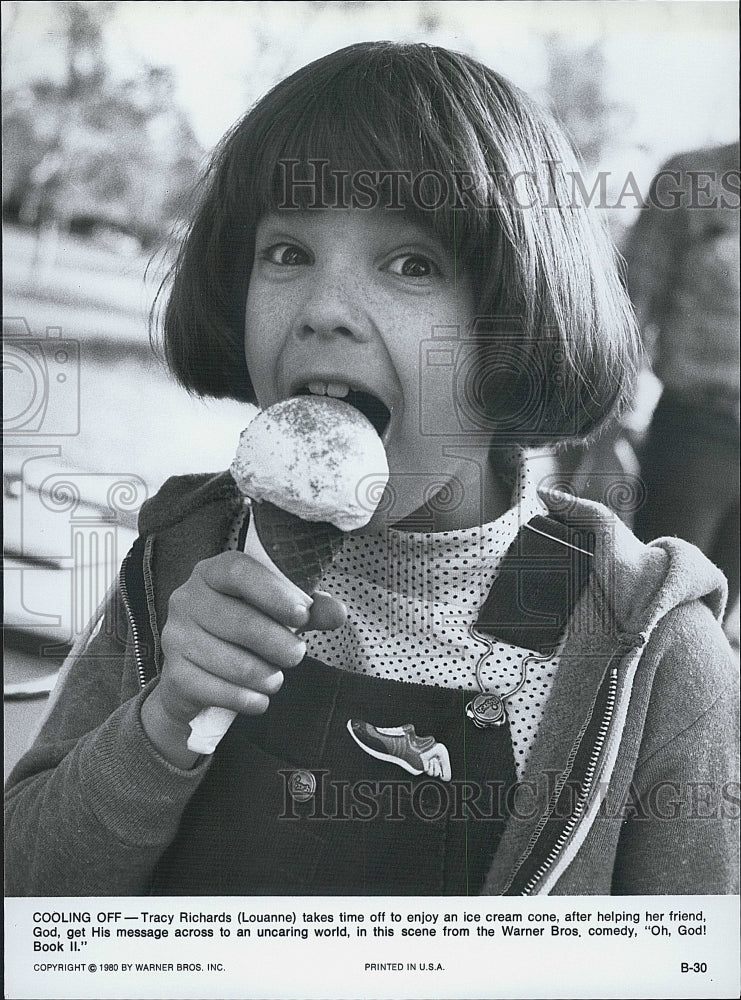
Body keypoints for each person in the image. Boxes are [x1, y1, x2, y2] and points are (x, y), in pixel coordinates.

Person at [5, 42, 738, 897]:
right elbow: (24, 904)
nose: (321, 310)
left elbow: (686, 964)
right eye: (286, 252)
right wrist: (161, 723)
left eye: (411, 265)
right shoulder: (181, 559)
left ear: (521, 320)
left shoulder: (646, 648)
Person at [625, 142, 740, 620]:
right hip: (697, 429)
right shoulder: (692, 177)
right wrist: (608, 423)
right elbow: (630, 300)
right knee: (660, 609)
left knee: (719, 626)